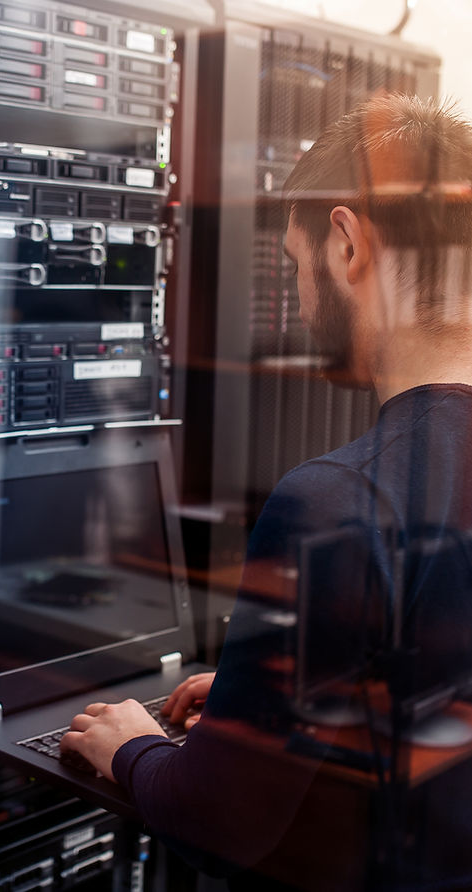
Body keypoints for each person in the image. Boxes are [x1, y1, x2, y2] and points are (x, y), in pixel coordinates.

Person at [60, 93, 472, 890]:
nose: (299, 293)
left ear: (346, 242)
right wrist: (271, 699)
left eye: (293, 263)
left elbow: (226, 825)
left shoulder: (335, 499)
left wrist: (132, 745)